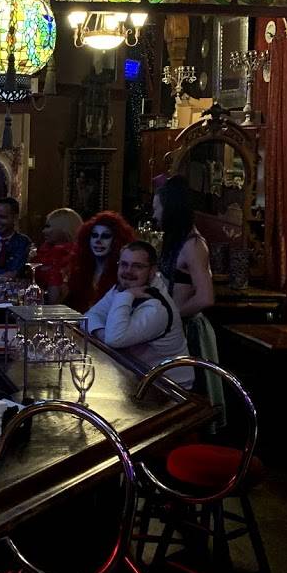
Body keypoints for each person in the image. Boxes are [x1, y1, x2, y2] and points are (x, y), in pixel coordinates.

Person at [154, 175, 225, 425]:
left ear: (170, 209)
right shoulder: (178, 240)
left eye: (157, 209)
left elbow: (206, 297)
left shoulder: (194, 245)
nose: (154, 215)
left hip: (190, 330)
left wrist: (173, 315)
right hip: (177, 325)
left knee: (193, 403)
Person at [84, 241, 194, 388]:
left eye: (137, 266)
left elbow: (115, 339)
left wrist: (127, 295)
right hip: (139, 375)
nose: (128, 271)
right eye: (124, 264)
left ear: (152, 270)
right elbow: (89, 316)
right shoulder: (123, 288)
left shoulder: (156, 307)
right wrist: (104, 334)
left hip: (170, 386)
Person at [64, 211, 136, 313]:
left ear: (116, 240)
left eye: (105, 236)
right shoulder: (80, 271)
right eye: (94, 235)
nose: (98, 240)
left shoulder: (122, 274)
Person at [33, 208, 83, 304]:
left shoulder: (75, 255)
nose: (43, 231)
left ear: (64, 228)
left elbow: (55, 299)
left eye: (48, 227)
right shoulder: (44, 251)